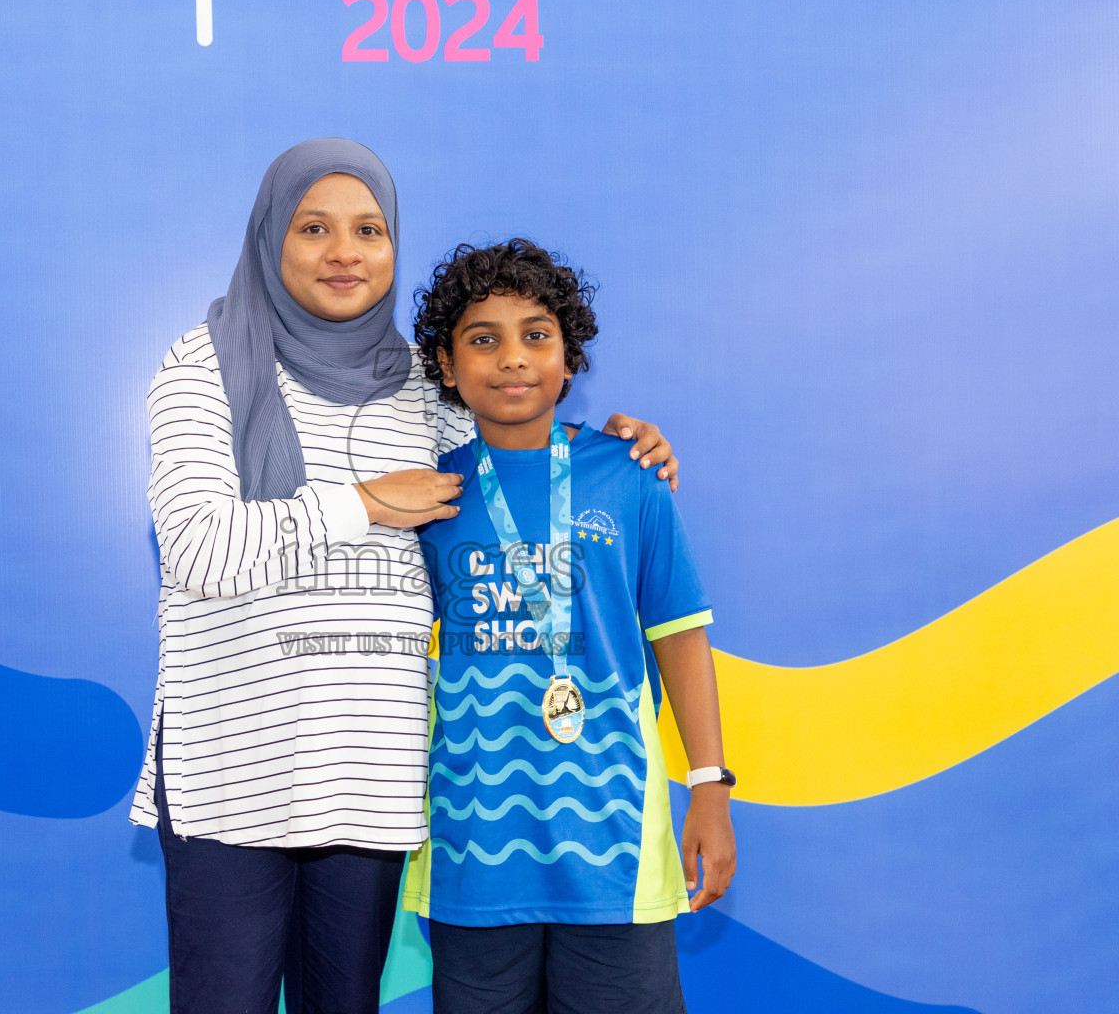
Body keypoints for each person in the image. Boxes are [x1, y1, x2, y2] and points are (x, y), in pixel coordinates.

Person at [126, 140, 682, 1014]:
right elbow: (197, 546)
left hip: (370, 780)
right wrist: (364, 503)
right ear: (271, 236)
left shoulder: (420, 388)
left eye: (369, 229)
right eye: (315, 228)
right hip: (236, 775)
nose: (344, 251)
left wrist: (626, 443)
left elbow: (521, 408)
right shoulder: (206, 365)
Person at [404, 239, 736, 1013]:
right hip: (471, 851)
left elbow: (681, 638)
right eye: (483, 339)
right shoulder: (427, 497)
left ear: (569, 359)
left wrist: (711, 787)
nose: (512, 358)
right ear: (448, 369)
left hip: (612, 847)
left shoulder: (632, 477)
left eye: (536, 335)